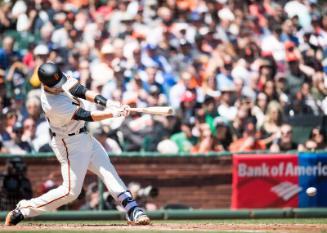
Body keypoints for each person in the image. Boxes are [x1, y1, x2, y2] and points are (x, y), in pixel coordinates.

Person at [5, 62, 150, 226]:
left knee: (108, 171)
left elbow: (81, 91)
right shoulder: (51, 104)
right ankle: (24, 209)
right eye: (56, 85)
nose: (60, 85)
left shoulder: (58, 78)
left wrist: (108, 103)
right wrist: (112, 114)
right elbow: (86, 115)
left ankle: (132, 208)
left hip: (85, 137)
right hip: (69, 144)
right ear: (46, 85)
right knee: (70, 192)